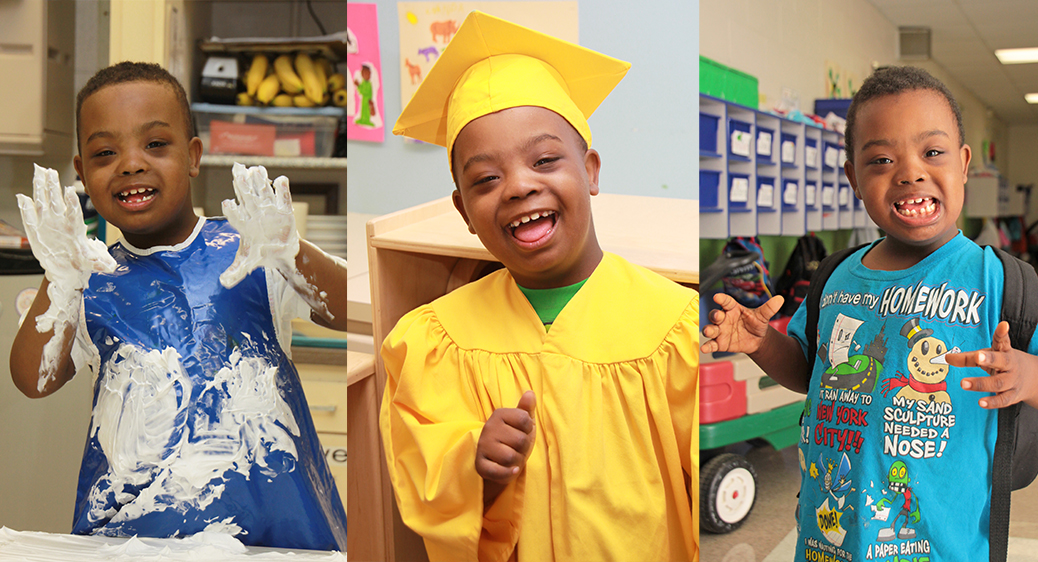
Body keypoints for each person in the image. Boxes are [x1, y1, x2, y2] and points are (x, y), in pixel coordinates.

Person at [380, 11, 699, 562]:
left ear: (592, 171)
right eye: (485, 179)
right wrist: (471, 461)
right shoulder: (434, 341)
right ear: (463, 210)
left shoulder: (675, 329)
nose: (520, 186)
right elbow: (419, 471)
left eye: (545, 160)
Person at [701, 65, 1038, 560]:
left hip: (943, 546)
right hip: (829, 538)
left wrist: (1027, 376)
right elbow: (813, 372)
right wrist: (762, 342)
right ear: (854, 179)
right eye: (881, 159)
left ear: (963, 164)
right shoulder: (834, 277)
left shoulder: (1003, 283)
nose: (909, 172)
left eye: (933, 152)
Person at [8, 61, 348, 551]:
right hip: (137, 543)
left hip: (274, 541)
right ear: (81, 171)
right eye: (105, 152)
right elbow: (32, 381)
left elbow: (351, 312)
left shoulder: (252, 250)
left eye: (155, 144)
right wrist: (59, 277)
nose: (130, 163)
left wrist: (293, 253)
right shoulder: (87, 280)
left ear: (193, 156)